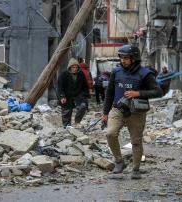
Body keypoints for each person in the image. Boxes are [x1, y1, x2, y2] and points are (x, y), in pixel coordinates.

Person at [102, 44, 163, 179]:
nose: (123, 60)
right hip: (117, 109)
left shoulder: (145, 74)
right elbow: (109, 93)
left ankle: (135, 169)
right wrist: (105, 113)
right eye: (121, 58)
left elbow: (158, 91)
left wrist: (138, 93)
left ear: (134, 58)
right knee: (110, 134)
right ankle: (119, 161)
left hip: (136, 112)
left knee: (136, 141)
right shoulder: (116, 72)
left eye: (126, 58)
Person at [57, 58, 89, 128]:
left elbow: (85, 86)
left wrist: (85, 95)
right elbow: (60, 87)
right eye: (73, 67)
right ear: (70, 67)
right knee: (66, 110)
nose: (75, 69)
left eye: (76, 67)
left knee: (83, 106)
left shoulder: (81, 74)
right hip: (67, 95)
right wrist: (62, 97)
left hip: (78, 95)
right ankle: (66, 125)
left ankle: (77, 122)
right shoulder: (63, 75)